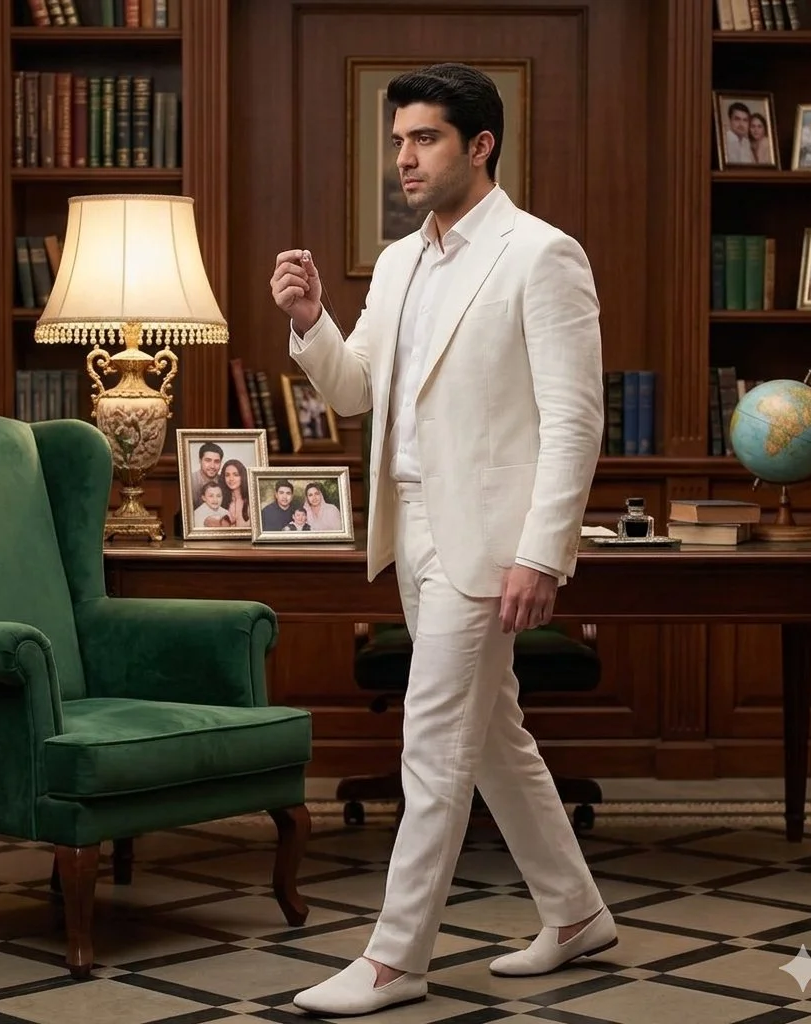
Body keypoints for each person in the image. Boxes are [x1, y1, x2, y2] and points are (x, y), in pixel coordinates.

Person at [269, 62, 611, 1016]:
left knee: (432, 738)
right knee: (491, 732)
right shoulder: (398, 261)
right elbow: (356, 390)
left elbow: (574, 419)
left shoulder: (544, 255)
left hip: (490, 538)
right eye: (398, 141)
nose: (404, 158)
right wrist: (309, 321)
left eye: (424, 139)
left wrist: (542, 551)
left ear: (480, 145)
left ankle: (395, 959)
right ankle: (578, 914)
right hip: (410, 529)